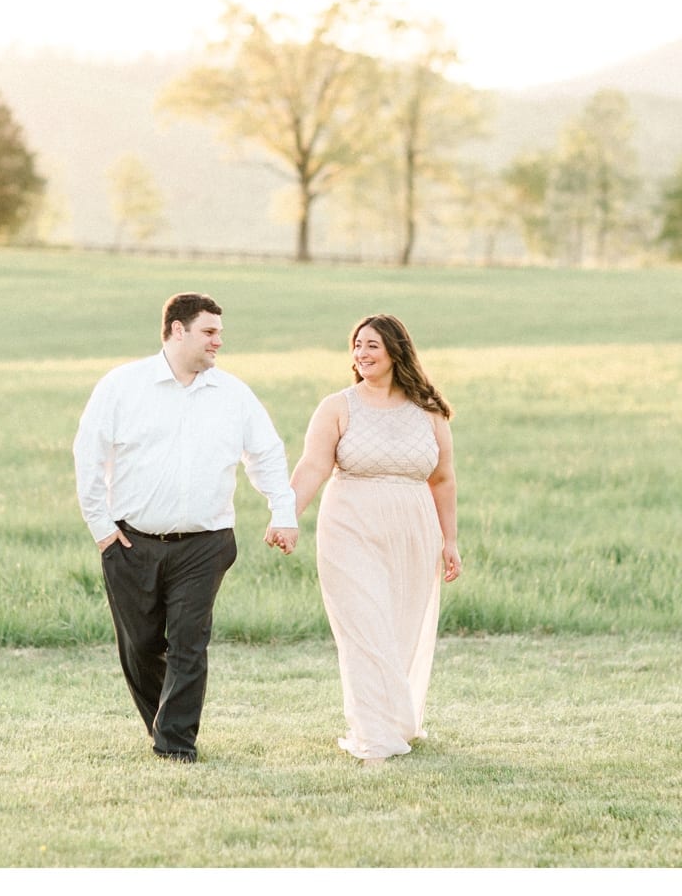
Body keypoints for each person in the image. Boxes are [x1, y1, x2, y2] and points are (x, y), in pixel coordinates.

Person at [73, 292, 298, 763]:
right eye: (209, 332)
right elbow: (88, 455)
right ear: (178, 330)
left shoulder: (233, 394)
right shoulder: (122, 386)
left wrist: (283, 512)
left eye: (219, 332)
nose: (219, 341)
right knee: (140, 646)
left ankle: (175, 744)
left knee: (189, 643)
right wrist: (102, 529)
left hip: (206, 543)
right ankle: (163, 721)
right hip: (132, 542)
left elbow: (267, 454)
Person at [267, 313, 460, 765]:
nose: (361, 353)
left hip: (413, 532)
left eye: (371, 345)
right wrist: (286, 516)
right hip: (349, 529)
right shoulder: (338, 406)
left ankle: (396, 717)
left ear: (396, 350)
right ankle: (374, 734)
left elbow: (444, 479)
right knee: (364, 629)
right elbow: (312, 466)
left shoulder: (429, 412)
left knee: (399, 629)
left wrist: (449, 541)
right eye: (357, 345)